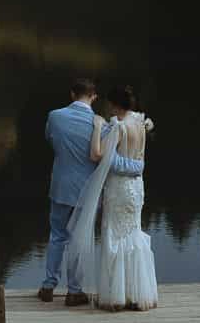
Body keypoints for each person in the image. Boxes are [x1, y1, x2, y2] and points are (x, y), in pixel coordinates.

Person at [41, 78, 145, 305]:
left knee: (57, 236)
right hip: (86, 192)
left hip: (61, 186)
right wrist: (137, 167)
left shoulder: (54, 117)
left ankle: (48, 285)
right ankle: (74, 291)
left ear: (72, 94)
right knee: (78, 239)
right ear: (94, 97)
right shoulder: (103, 125)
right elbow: (105, 159)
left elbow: (51, 139)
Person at [67, 85, 157, 311]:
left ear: (115, 105)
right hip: (136, 187)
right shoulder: (140, 123)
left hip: (118, 188)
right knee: (133, 233)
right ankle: (137, 293)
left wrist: (98, 127)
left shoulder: (120, 127)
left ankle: (117, 295)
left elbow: (97, 155)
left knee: (114, 235)